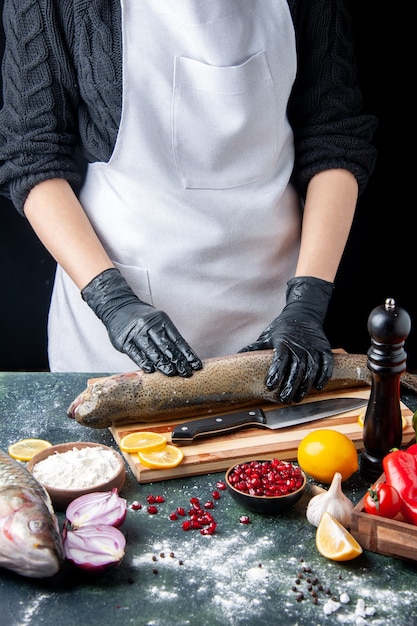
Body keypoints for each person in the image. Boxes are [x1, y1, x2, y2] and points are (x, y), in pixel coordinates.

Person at [0, 0, 377, 404]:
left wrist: (308, 301)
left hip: (274, 312)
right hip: (116, 319)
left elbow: (334, 138)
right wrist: (111, 301)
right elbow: (33, 158)